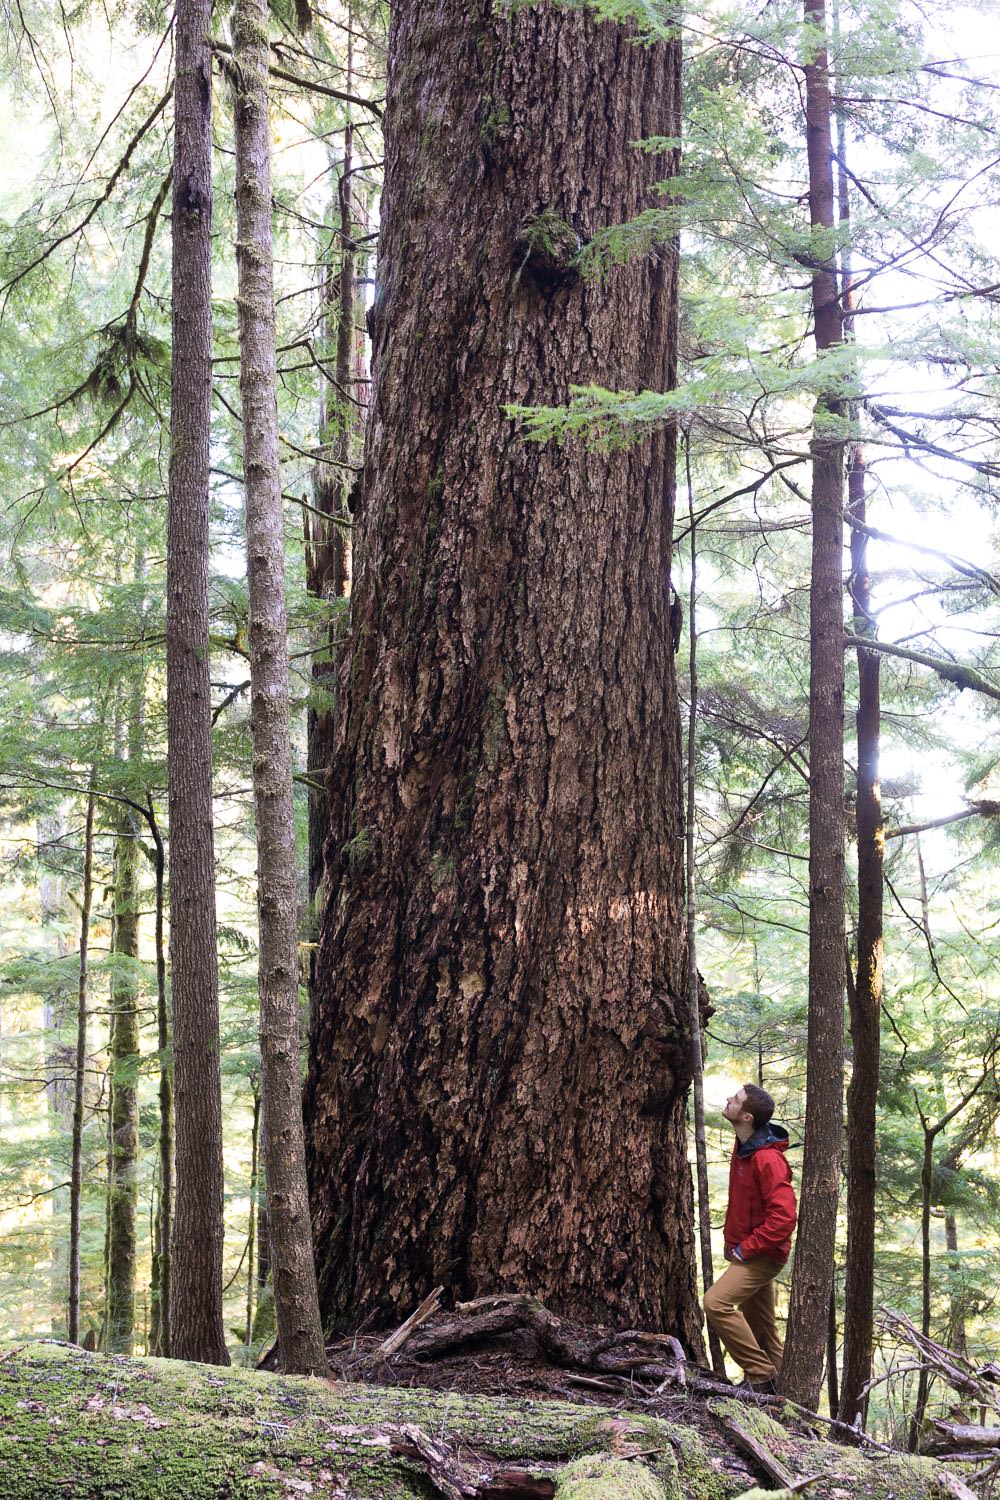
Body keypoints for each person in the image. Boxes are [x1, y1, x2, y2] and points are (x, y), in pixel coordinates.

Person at [703, 1083, 797, 1394]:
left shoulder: (766, 1159)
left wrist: (746, 1249)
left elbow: (784, 1217)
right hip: (750, 1250)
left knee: (716, 1304)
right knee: (763, 1329)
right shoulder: (745, 1146)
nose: (728, 1099)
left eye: (736, 1100)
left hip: (763, 1254)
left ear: (746, 1117)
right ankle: (785, 1397)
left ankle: (760, 1374)